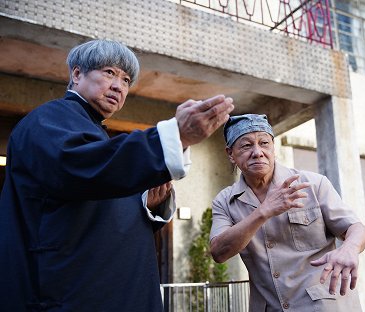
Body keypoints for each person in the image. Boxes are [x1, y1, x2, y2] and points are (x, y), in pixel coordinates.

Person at [0, 39, 234, 311]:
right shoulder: (49, 119)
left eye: (125, 80)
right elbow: (84, 169)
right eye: (109, 72)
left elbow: (95, 197)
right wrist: (172, 137)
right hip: (64, 294)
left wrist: (147, 205)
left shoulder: (94, 130)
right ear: (77, 74)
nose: (118, 86)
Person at [210, 114, 365, 312]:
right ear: (230, 153)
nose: (257, 152)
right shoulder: (224, 201)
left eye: (264, 143)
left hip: (323, 305)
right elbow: (218, 252)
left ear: (273, 147)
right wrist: (263, 212)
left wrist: (350, 248)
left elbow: (356, 228)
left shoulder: (313, 184)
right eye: (246, 145)